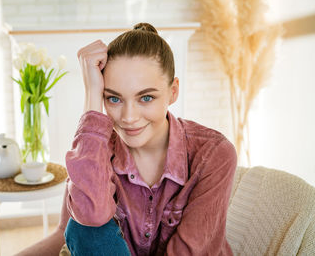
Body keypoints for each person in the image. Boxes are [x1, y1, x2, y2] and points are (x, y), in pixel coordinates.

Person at [16, 22, 237, 256]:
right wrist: (92, 94)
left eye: (146, 98)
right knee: (86, 229)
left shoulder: (213, 153)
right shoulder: (95, 150)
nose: (129, 118)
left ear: (173, 92)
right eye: (113, 99)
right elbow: (75, 228)